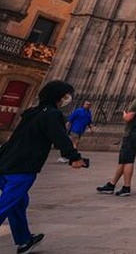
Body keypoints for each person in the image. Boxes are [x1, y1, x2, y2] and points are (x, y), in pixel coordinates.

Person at [0, 80, 86, 253]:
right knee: (7, 204)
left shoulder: (32, 112)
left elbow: (17, 137)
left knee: (19, 202)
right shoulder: (52, 114)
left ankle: (24, 240)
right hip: (22, 166)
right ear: (58, 96)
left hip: (5, 162)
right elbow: (60, 138)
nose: (67, 98)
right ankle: (24, 240)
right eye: (66, 95)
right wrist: (74, 157)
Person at [96, 84, 136, 197]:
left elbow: (128, 118)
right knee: (124, 159)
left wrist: (124, 115)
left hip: (132, 134)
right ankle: (111, 184)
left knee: (128, 160)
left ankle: (126, 187)